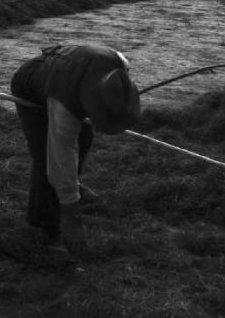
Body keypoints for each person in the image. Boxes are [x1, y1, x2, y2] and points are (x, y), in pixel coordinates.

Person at [10, 44, 141, 256]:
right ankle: (43, 228)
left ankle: (74, 187)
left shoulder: (119, 66)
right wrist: (72, 217)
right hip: (32, 83)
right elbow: (61, 156)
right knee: (46, 158)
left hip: (66, 74)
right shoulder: (65, 107)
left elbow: (115, 89)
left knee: (85, 138)